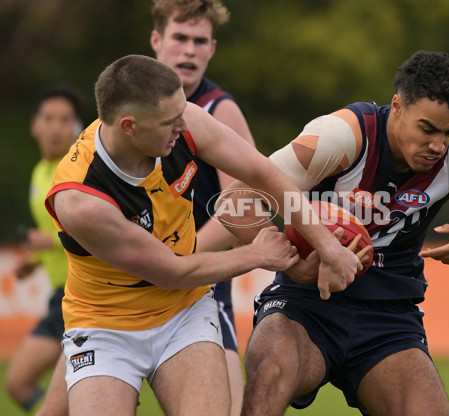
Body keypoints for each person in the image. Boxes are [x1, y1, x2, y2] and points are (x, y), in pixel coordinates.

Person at [217, 51, 449, 416]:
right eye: (427, 129)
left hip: (387, 319)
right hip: (306, 304)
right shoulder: (341, 136)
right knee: (269, 370)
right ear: (397, 106)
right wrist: (291, 263)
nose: (438, 146)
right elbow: (233, 201)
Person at [44, 54, 364, 416]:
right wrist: (258, 255)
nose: (184, 123)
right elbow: (171, 270)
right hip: (104, 326)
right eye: (170, 121)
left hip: (183, 311)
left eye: (183, 110)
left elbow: (264, 174)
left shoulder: (187, 121)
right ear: (129, 126)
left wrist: (326, 246)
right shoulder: (80, 199)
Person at [150, 2, 253, 413]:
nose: (189, 51)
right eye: (179, 38)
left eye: (199, 41)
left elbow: (243, 209)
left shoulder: (220, 110)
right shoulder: (127, 102)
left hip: (199, 291)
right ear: (157, 41)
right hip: (124, 291)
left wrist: (178, 262)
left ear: (212, 48)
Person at [4, 86, 82, 414]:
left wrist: (47, 243)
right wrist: (34, 261)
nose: (55, 128)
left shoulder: (79, 171)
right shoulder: (39, 173)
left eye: (64, 120)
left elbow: (98, 234)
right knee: (16, 383)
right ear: (35, 125)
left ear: (77, 128)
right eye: (48, 119)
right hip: (58, 299)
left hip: (83, 299)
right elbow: (52, 233)